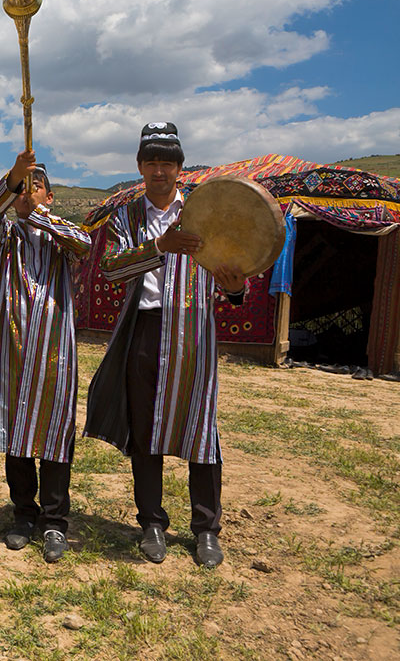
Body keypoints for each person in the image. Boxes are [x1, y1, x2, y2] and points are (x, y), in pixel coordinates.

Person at [84, 123, 247, 569]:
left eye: (168, 163)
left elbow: (232, 265)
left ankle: (206, 529)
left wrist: (235, 287)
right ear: (140, 167)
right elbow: (111, 268)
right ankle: (151, 522)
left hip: (194, 330)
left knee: (201, 428)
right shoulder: (125, 217)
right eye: (152, 162)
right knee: (145, 427)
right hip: (146, 328)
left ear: (180, 168)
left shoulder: (205, 209)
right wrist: (160, 245)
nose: (160, 171)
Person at [0, 150, 90, 563]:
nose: (27, 193)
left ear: (50, 196)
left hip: (55, 351)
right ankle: (23, 513)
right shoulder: (4, 238)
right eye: (21, 188)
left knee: (56, 433)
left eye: (35, 186)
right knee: (16, 431)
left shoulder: (63, 237)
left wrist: (40, 217)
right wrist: (13, 178)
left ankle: (55, 520)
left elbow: (84, 244)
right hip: (12, 349)